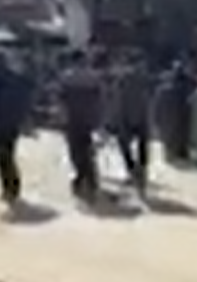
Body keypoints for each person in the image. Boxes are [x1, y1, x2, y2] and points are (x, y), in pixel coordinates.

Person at [0, 52, 35, 205]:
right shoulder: (16, 77)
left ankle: (8, 188)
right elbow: (28, 91)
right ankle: (14, 187)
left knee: (2, 157)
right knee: (9, 154)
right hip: (12, 122)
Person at [107, 50, 155, 199]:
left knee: (126, 145)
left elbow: (117, 99)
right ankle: (140, 171)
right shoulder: (145, 78)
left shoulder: (123, 78)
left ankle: (133, 169)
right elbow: (150, 99)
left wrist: (114, 118)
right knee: (141, 146)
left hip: (128, 116)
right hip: (139, 116)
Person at [58, 50, 104, 202]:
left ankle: (81, 177)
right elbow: (99, 100)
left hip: (73, 119)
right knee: (87, 150)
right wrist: (99, 119)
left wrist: (61, 117)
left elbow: (61, 100)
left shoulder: (66, 77)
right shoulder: (94, 78)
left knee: (76, 152)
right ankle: (90, 180)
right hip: (89, 120)